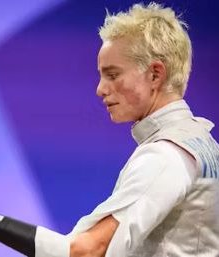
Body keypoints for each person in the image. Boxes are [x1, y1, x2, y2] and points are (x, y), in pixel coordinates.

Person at [37, 2, 219, 257]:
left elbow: (88, 251)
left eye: (112, 75)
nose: (100, 89)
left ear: (155, 75)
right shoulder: (203, 142)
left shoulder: (165, 156)